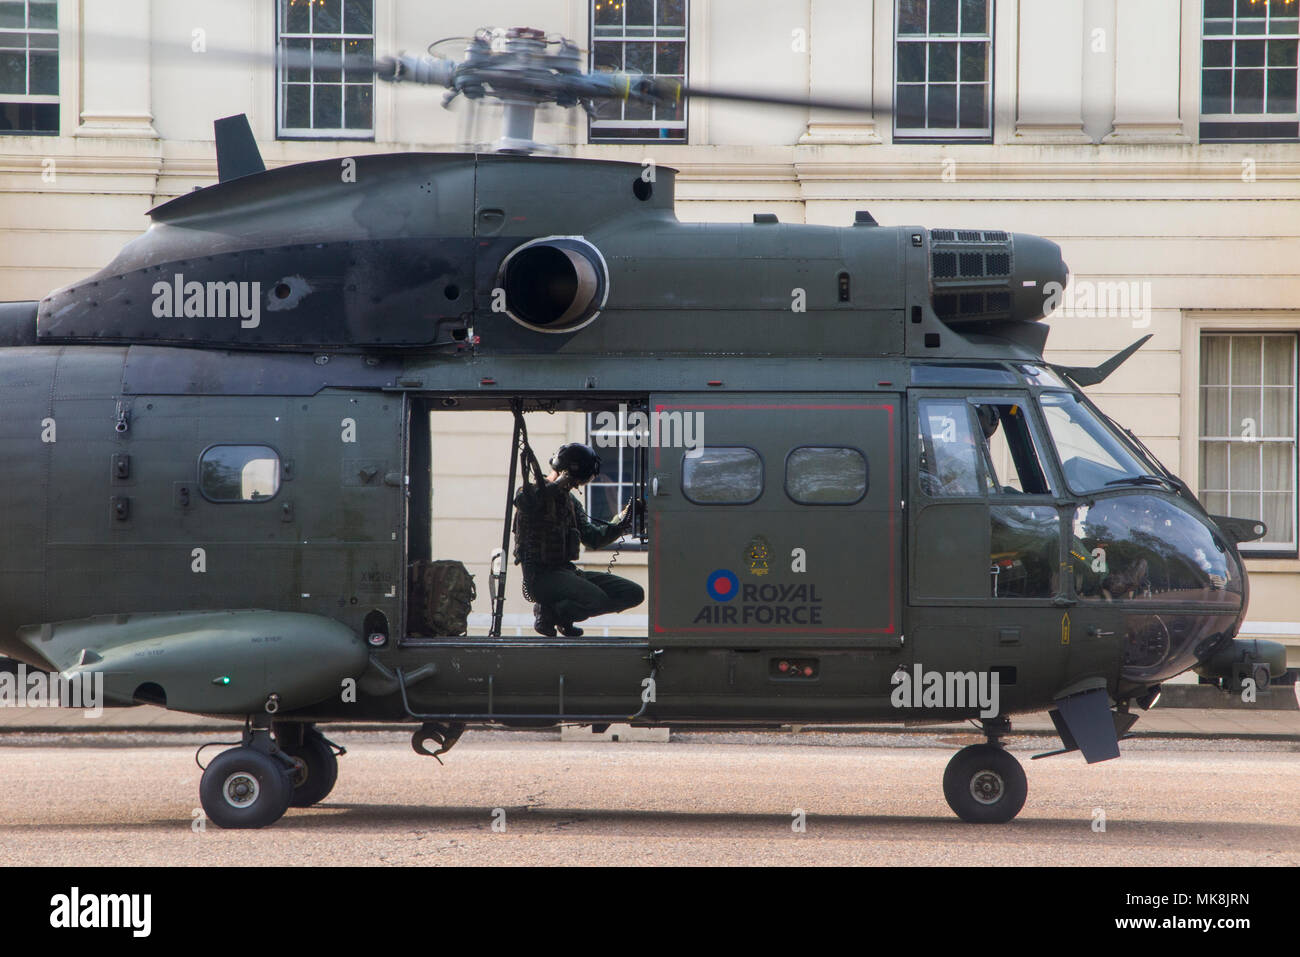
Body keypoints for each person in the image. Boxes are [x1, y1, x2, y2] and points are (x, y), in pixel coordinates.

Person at [512, 443, 645, 637]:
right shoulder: (531, 492)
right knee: (596, 599)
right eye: (573, 481)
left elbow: (593, 538)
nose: (573, 487)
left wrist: (624, 519)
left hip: (567, 572)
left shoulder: (571, 503)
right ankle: (550, 613)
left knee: (632, 593)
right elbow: (525, 502)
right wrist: (557, 485)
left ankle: (560, 615)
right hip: (540, 577)